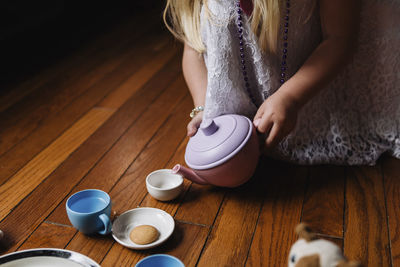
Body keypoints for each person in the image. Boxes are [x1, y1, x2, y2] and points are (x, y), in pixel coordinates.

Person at [163, 0, 400, 165]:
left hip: (310, 94)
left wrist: (291, 97)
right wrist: (204, 106)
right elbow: (194, 46)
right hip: (236, 105)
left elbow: (339, 39)